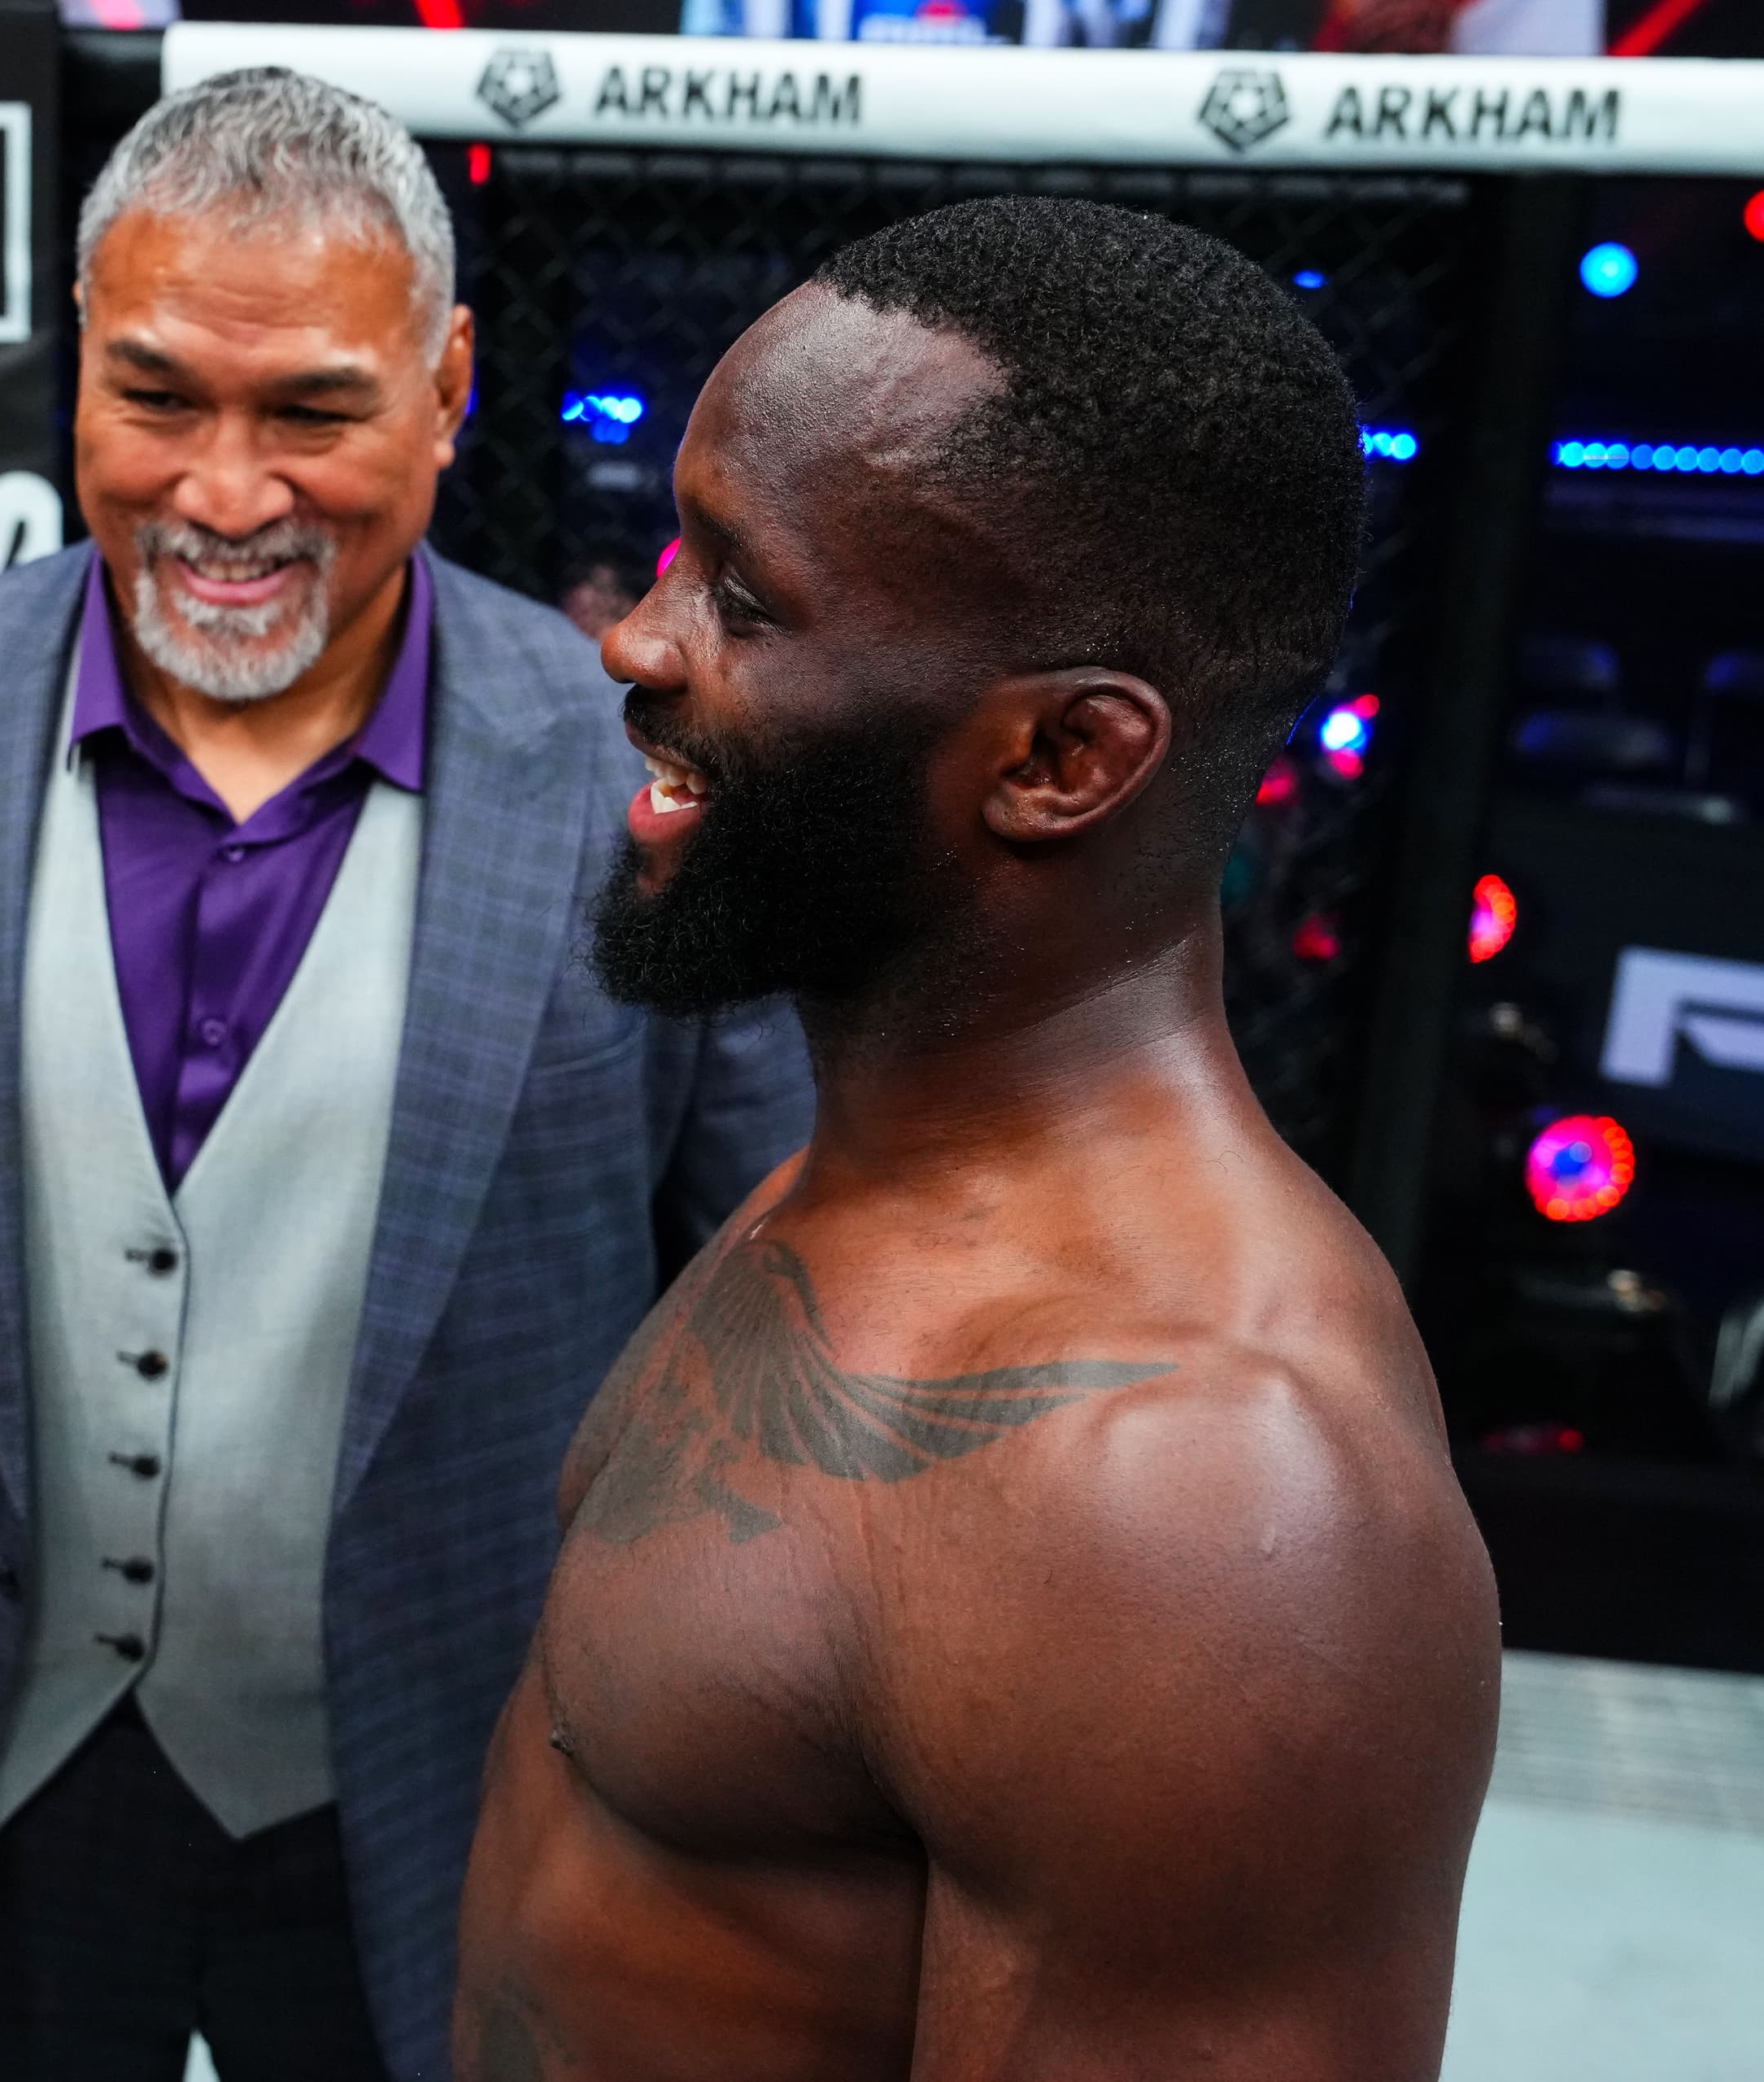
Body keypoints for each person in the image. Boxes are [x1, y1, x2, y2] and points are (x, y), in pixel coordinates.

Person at [0, 68, 811, 2082]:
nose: (229, 489)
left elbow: (787, 1295)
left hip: (439, 1796)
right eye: (161, 396)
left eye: (315, 412)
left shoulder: (644, 782)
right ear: (78, 366)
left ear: (448, 389)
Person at [453, 197, 1500, 2080]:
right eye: (676, 550)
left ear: (1062, 761)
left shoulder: (1194, 1498)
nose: (635, 639)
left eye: (744, 599)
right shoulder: (865, 1172)